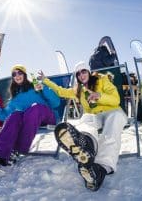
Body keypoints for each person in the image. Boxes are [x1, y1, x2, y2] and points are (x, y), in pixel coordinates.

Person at [39, 61, 128, 191]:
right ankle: (86, 144)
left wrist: (99, 96)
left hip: (112, 111)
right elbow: (60, 91)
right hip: (94, 116)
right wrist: (45, 80)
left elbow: (116, 99)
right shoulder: (78, 90)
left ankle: (101, 168)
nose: (81, 75)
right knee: (86, 118)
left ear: (89, 72)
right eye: (78, 73)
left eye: (84, 71)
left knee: (114, 122)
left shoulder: (102, 80)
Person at [0, 64, 60, 177]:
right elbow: (3, 116)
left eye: (19, 73)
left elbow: (56, 103)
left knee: (34, 108)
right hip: (30, 119)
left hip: (47, 115)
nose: (17, 76)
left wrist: (44, 88)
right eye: (14, 74)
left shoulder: (35, 87)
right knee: (15, 115)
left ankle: (18, 149)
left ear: (24, 75)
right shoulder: (14, 99)